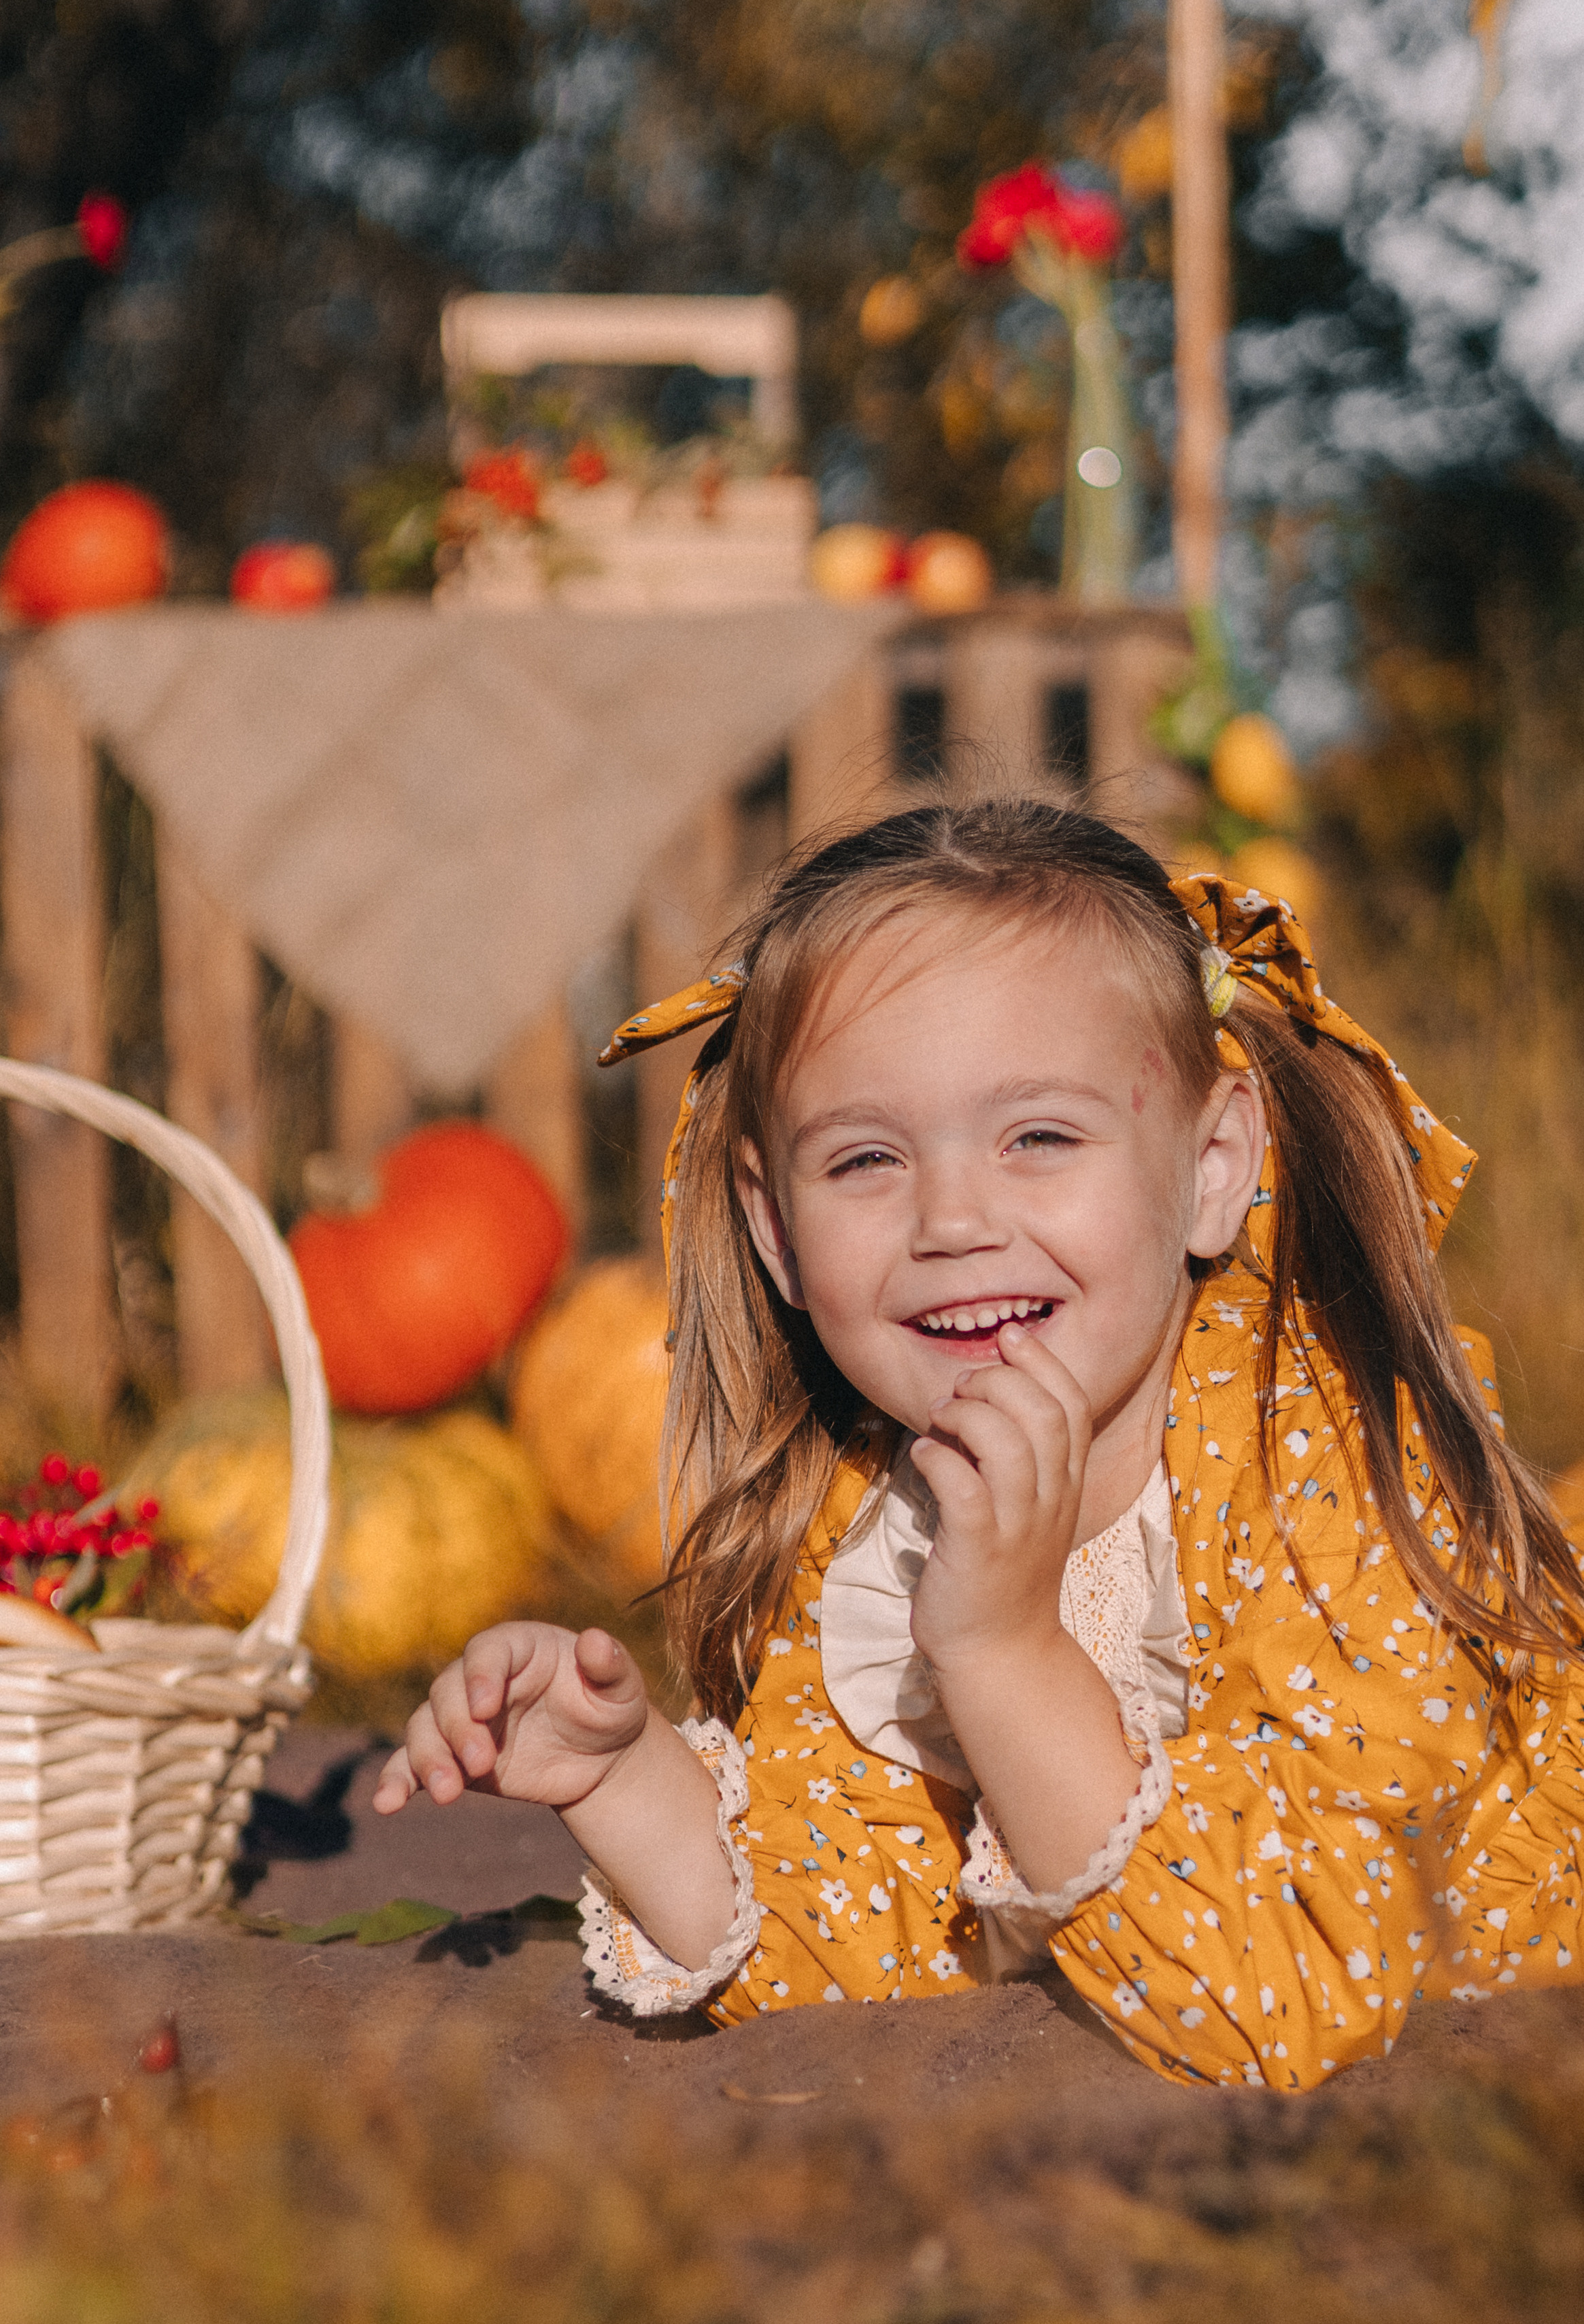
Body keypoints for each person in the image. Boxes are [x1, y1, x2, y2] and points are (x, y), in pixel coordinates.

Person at [373, 799, 1584, 2091]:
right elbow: (870, 1970)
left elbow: (1275, 2009)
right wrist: (627, 1788)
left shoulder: (1336, 1477)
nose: (951, 1219)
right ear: (774, 1228)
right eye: (865, 1160)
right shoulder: (864, 1527)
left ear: (1213, 1160)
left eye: (1039, 1138)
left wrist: (1005, 1649)